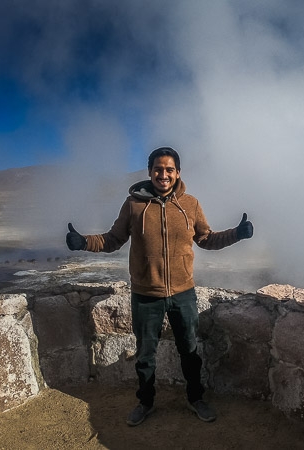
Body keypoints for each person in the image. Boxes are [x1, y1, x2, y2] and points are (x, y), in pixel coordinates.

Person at [65, 146, 253, 426]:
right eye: (158, 169)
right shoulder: (133, 205)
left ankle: (196, 398)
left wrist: (236, 234)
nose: (163, 174)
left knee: (189, 350)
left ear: (177, 173)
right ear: (150, 172)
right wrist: (85, 243)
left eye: (169, 170)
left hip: (183, 294)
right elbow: (113, 239)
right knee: (145, 355)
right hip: (145, 295)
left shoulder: (190, 204)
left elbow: (206, 238)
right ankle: (146, 402)